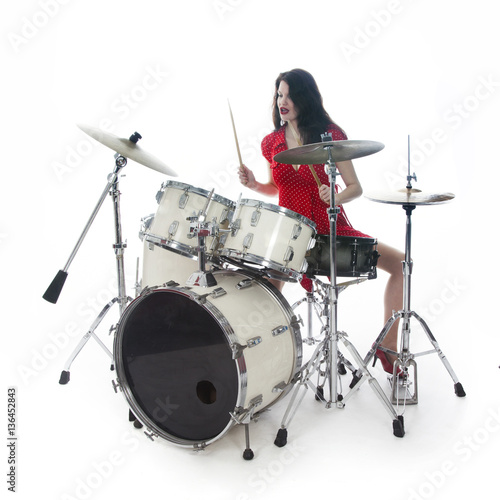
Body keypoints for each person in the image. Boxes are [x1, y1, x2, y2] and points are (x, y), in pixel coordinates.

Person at [237, 68, 404, 375]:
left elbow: (355, 188)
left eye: (289, 95)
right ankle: (261, 365)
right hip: (290, 232)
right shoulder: (271, 142)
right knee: (266, 296)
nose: (282, 102)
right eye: (279, 95)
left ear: (305, 98)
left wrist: (335, 197)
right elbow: (276, 188)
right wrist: (254, 185)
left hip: (328, 229)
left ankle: (388, 347)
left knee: (400, 263)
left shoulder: (330, 136)